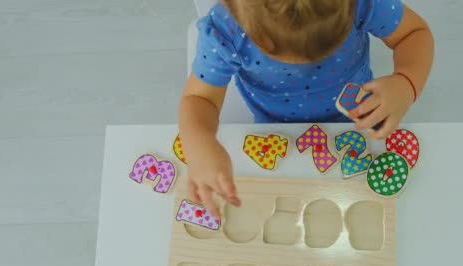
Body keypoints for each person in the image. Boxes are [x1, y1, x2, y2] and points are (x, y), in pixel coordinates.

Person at [178, 0, 434, 217]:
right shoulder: (227, 31)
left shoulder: (360, 3)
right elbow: (200, 99)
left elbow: (414, 34)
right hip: (274, 128)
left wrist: (406, 83)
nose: (308, 66)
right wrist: (198, 143)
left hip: (359, 115)